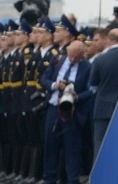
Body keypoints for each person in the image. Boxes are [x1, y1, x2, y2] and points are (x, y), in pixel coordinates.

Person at [43, 38, 91, 184]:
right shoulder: (57, 60)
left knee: (72, 148)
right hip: (53, 107)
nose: (73, 59)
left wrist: (76, 97)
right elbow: (43, 79)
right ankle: (49, 178)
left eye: (77, 56)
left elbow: (90, 91)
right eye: (71, 55)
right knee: (50, 145)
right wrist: (55, 85)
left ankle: (72, 180)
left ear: (82, 55)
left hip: (71, 111)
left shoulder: (87, 67)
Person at [86, 27, 118, 161]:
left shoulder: (100, 60)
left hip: (103, 108)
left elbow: (93, 84)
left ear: (109, 40)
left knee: (100, 145)